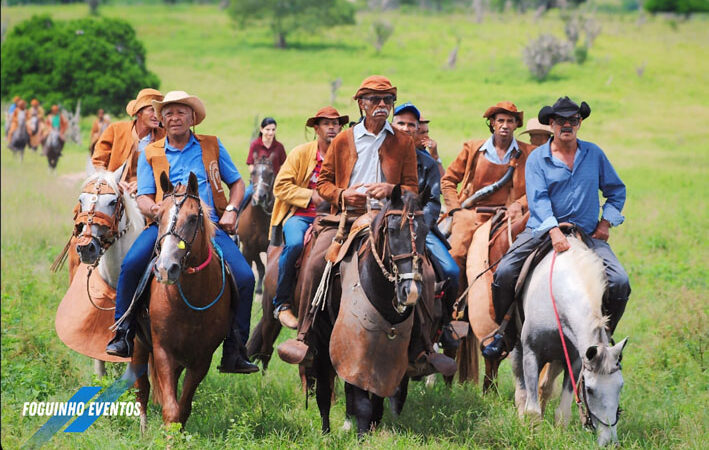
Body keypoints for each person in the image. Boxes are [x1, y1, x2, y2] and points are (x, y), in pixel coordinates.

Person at [105, 90, 258, 374]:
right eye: (168, 113)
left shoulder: (211, 145)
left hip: (207, 227)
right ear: (161, 120)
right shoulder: (151, 151)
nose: (174, 118)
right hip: (164, 226)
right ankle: (123, 333)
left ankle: (235, 349)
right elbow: (144, 196)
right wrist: (156, 211)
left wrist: (233, 210)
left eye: (180, 113)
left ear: (192, 118)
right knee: (130, 266)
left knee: (246, 277)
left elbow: (237, 183)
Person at [482, 97, 630, 359]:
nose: (567, 125)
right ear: (551, 124)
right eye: (561, 120)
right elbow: (538, 199)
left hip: (585, 233)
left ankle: (603, 334)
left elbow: (616, 191)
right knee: (504, 273)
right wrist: (554, 232)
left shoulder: (594, 154)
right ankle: (505, 333)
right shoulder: (538, 158)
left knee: (620, 282)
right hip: (541, 231)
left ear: (580, 123)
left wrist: (606, 222)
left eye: (573, 120)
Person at [440, 101, 536, 290]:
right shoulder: (473, 148)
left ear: (517, 124)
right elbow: (448, 180)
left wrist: (519, 204)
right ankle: (453, 306)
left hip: (509, 216)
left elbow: (538, 188)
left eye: (510, 121)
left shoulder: (529, 153)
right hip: (471, 214)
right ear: (492, 122)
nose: (505, 125)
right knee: (456, 254)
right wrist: (455, 210)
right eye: (500, 120)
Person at [270, 106, 348, 329]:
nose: (332, 128)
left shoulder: (347, 156)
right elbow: (280, 186)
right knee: (294, 245)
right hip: (302, 216)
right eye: (326, 123)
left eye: (336, 124)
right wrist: (309, 195)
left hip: (336, 218)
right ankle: (282, 303)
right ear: (316, 128)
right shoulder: (301, 153)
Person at [392, 102, 460, 349]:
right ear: (392, 125)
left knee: (452, 272)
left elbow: (433, 201)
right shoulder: (381, 154)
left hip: (419, 226)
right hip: (384, 226)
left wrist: (421, 225)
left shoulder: (427, 163)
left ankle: (444, 327)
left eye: (412, 125)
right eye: (401, 123)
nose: (407, 128)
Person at [92, 89, 165, 194]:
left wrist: (144, 184)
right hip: (113, 191)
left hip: (149, 193)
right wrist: (111, 181)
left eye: (159, 111)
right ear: (139, 112)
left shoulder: (164, 136)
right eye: (152, 110)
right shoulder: (116, 129)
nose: (156, 115)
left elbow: (166, 169)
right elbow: (99, 161)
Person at [241, 117, 287, 211]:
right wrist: (256, 179)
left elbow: (284, 166)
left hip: (275, 183)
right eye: (267, 129)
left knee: (287, 201)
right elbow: (250, 164)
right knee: (245, 196)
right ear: (261, 129)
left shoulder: (279, 147)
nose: (270, 132)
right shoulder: (255, 145)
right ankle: (235, 218)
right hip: (258, 182)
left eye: (273, 130)